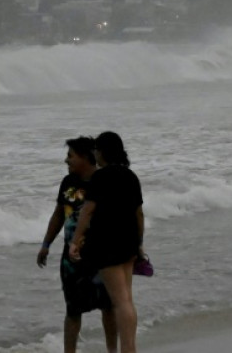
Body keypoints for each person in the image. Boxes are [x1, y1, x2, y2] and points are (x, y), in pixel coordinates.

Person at [37, 136, 117, 353]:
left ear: (84, 157)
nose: (66, 160)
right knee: (73, 310)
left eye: (70, 156)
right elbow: (58, 215)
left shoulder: (104, 181)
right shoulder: (68, 182)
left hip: (102, 257)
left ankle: (113, 350)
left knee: (108, 306)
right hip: (72, 260)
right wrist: (46, 244)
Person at [69, 131, 143, 353]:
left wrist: (75, 241)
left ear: (102, 151)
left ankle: (127, 349)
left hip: (106, 245)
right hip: (129, 241)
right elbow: (139, 213)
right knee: (127, 299)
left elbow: (88, 212)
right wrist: (139, 242)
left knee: (120, 301)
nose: (95, 154)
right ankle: (130, 347)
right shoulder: (131, 176)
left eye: (96, 150)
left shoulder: (100, 177)